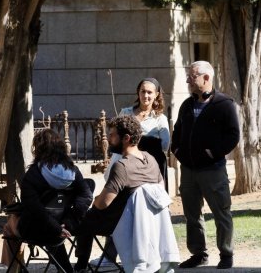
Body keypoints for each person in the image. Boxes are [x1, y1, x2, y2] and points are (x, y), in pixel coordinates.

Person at [91, 77, 170, 267]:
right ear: (138, 92)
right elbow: (116, 138)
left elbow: (165, 145)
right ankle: (110, 255)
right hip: (123, 166)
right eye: (143, 91)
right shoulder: (126, 112)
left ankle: (148, 256)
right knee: (117, 208)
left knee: (141, 212)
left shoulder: (160, 119)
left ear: (157, 95)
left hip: (145, 170)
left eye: (150, 92)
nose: (146, 95)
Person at [171, 61, 239, 269]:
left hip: (213, 170)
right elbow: (178, 131)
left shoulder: (224, 104)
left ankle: (226, 254)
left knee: (222, 213)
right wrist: (178, 151)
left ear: (206, 78)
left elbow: (233, 135)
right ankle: (199, 254)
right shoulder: (186, 105)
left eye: (192, 77)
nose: (188, 80)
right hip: (189, 171)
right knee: (192, 215)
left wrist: (213, 153)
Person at [74, 115, 164, 272]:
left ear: (126, 138)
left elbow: (103, 204)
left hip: (121, 222)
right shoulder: (151, 160)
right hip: (148, 221)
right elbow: (160, 191)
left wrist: (96, 200)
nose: (108, 138)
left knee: (84, 218)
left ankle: (81, 266)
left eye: (112, 134)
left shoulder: (122, 166)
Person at [1, 129, 93, 273]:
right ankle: (76, 266)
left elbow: (33, 208)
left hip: (35, 228)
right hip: (65, 225)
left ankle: (16, 269)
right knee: (79, 224)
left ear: (38, 149)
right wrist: (69, 222)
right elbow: (86, 196)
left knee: (9, 227)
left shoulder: (33, 174)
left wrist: (56, 227)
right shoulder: (73, 171)